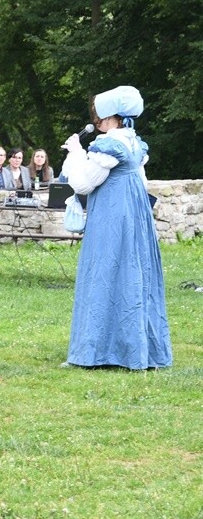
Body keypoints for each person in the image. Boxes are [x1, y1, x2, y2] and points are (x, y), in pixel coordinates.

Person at [60, 85, 171, 370]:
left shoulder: (109, 145)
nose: (98, 122)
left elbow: (82, 183)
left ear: (110, 116)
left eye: (101, 116)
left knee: (104, 272)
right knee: (133, 273)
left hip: (113, 217)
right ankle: (135, 348)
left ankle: (97, 351)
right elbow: (140, 182)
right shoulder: (134, 142)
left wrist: (74, 152)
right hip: (134, 216)